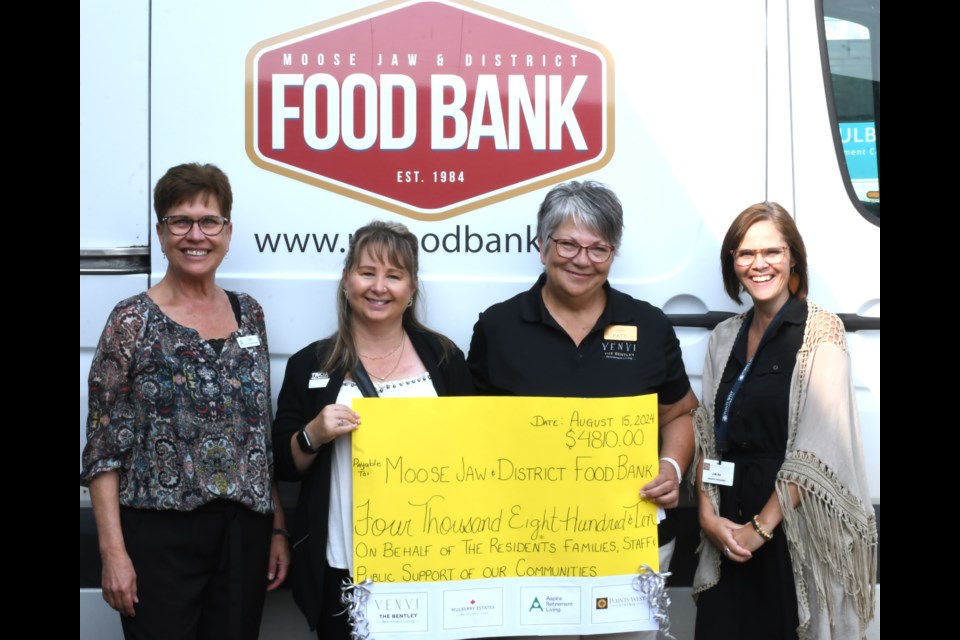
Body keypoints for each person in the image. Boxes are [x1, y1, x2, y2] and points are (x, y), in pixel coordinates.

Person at [468, 180, 697, 640]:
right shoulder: (498, 326)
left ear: (613, 255)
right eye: (568, 243)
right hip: (525, 546)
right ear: (541, 245)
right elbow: (471, 432)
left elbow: (679, 413)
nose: (582, 259)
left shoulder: (649, 325)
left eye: (599, 249)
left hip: (630, 540)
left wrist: (671, 466)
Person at [80, 163, 289, 639]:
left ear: (228, 231)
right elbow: (103, 450)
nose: (196, 235)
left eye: (208, 221)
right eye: (181, 221)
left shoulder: (249, 314)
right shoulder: (131, 321)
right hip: (158, 538)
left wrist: (276, 526)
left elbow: (258, 432)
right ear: (161, 231)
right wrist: (113, 553)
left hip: (243, 536)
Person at [273, 220, 474, 637]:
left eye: (394, 275)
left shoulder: (445, 359)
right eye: (367, 272)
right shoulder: (310, 364)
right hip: (343, 563)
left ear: (412, 288)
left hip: (431, 560)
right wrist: (313, 434)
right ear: (347, 280)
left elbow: (475, 454)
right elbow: (283, 465)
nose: (379, 287)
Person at [691, 202, 877, 639]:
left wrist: (760, 529)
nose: (759, 265)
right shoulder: (723, 337)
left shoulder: (820, 332)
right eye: (745, 254)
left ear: (793, 257)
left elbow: (816, 450)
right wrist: (706, 517)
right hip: (726, 526)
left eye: (772, 252)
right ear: (732, 262)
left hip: (789, 528)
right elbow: (706, 436)